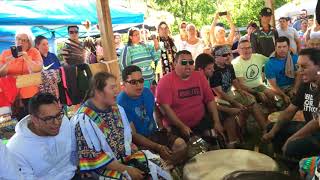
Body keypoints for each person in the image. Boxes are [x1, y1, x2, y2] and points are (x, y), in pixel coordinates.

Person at [71, 72, 171, 179]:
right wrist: (126, 169)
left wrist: (133, 154)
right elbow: (93, 158)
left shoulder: (116, 109)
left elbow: (126, 138)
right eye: (112, 87)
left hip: (125, 158)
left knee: (158, 165)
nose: (117, 91)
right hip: (101, 168)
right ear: (98, 92)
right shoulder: (83, 119)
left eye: (117, 87)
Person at [117, 65, 187, 164]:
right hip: (138, 142)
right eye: (133, 82)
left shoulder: (146, 92)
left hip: (154, 133)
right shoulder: (121, 103)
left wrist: (161, 126)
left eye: (141, 80)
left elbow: (155, 109)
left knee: (181, 145)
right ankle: (166, 169)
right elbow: (134, 135)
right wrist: (157, 147)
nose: (139, 85)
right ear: (124, 84)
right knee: (155, 161)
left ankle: (170, 168)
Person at [262, 48, 320, 160]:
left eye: (304, 67)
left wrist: (291, 139)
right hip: (310, 127)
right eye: (298, 67)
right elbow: (290, 110)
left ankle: (303, 167)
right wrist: (273, 132)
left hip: (317, 131)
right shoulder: (306, 84)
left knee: (292, 146)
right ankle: (282, 162)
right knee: (272, 128)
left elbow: (317, 122)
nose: (299, 71)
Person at [156, 50, 223, 142]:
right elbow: (165, 109)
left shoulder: (199, 76)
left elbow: (210, 100)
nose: (188, 65)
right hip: (176, 126)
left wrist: (216, 122)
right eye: (184, 62)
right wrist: (182, 126)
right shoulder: (165, 81)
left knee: (215, 137)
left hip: (200, 121)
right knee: (187, 147)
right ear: (175, 64)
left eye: (191, 62)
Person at [6, 93, 77, 179]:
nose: (57, 123)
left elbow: (73, 151)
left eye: (58, 115)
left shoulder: (64, 121)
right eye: (48, 119)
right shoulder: (15, 149)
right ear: (34, 119)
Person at [210, 45, 269, 129]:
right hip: (217, 98)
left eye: (229, 54)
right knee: (242, 107)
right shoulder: (213, 70)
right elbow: (219, 93)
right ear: (215, 57)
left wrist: (243, 92)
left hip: (229, 93)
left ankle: (265, 129)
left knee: (251, 100)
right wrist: (235, 103)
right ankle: (242, 130)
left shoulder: (229, 66)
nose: (228, 57)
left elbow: (234, 82)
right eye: (224, 55)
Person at [195, 53, 241, 147]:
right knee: (228, 112)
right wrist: (228, 109)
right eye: (209, 68)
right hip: (200, 114)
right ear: (200, 70)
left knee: (229, 109)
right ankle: (231, 144)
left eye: (213, 67)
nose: (213, 70)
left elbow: (211, 101)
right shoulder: (197, 82)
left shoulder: (206, 77)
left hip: (208, 108)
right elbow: (207, 104)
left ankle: (233, 141)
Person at [0, 28, 43, 120]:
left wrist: (27, 58)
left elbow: (38, 69)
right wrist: (7, 63)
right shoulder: (6, 53)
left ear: (29, 42)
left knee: (34, 119)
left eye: (24, 40)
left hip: (31, 94)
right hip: (13, 94)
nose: (20, 42)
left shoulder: (34, 52)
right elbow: (1, 74)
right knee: (20, 120)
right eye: (18, 39)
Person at [232, 39, 276, 109]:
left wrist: (265, 73)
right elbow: (241, 84)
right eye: (243, 48)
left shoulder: (258, 57)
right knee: (256, 100)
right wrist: (257, 93)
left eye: (249, 47)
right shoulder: (236, 63)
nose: (247, 50)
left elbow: (271, 62)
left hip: (259, 85)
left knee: (271, 94)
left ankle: (272, 114)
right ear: (238, 50)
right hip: (245, 89)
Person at [265, 36, 300, 106]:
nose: (282, 49)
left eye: (284, 46)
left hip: (292, 86)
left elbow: (299, 75)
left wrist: (295, 89)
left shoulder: (295, 58)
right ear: (275, 48)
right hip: (278, 89)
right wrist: (284, 95)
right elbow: (273, 85)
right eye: (279, 47)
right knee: (278, 101)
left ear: (288, 47)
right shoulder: (270, 63)